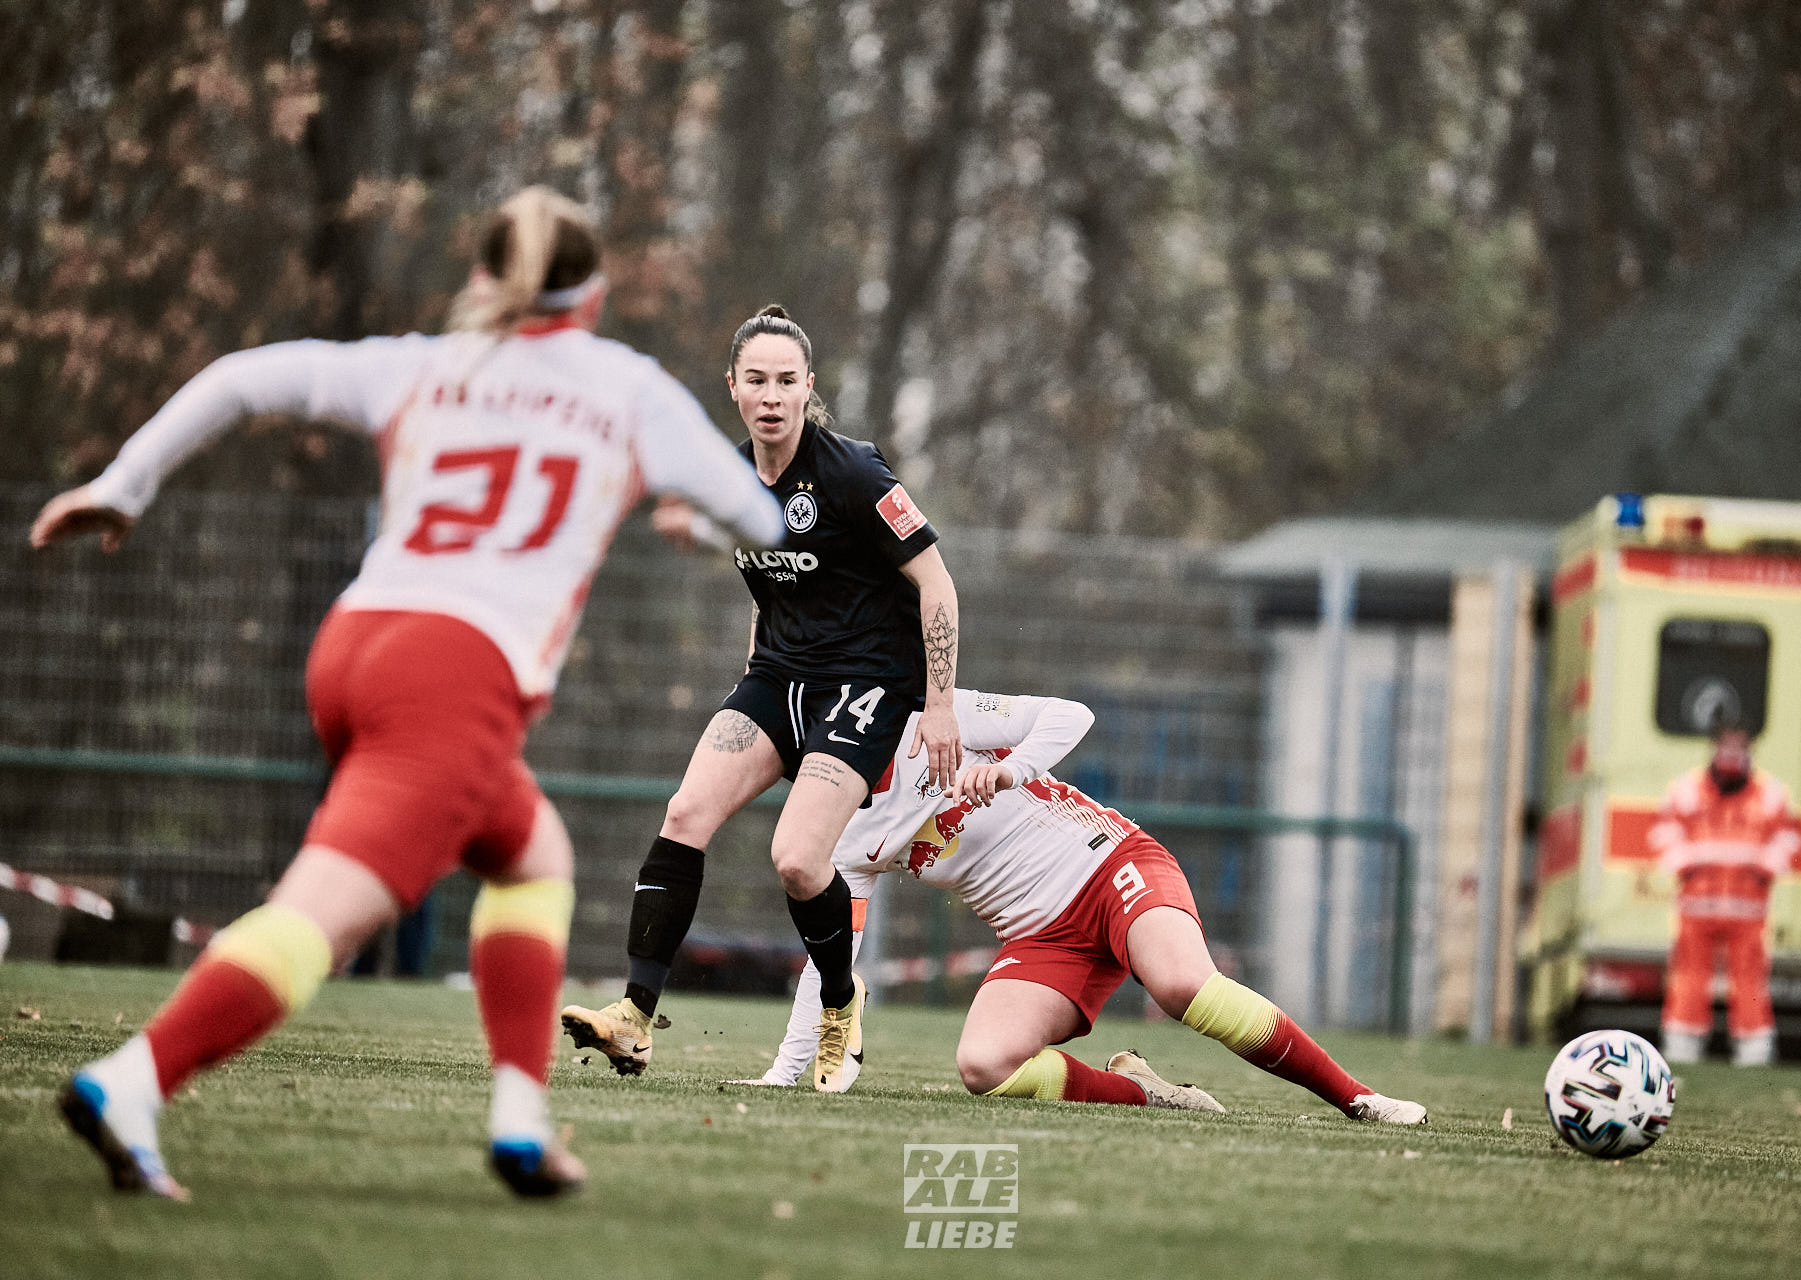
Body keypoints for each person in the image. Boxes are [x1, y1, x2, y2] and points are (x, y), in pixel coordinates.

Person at [30, 187, 784, 1200]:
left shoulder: (425, 362)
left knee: (532, 856)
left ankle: (520, 1122)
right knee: (320, 918)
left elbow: (240, 378)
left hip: (358, 643)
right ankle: (134, 1079)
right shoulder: (626, 385)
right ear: (594, 297)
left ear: (483, 281)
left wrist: (124, 484)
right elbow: (764, 518)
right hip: (456, 679)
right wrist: (696, 521)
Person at [564, 306, 962, 1094]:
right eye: (757, 381)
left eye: (787, 381)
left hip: (865, 686)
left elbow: (937, 582)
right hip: (777, 680)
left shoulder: (853, 472)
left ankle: (840, 1014)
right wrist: (753, 673)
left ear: (808, 388)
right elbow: (780, 577)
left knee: (795, 859)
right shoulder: (729, 478)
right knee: (683, 817)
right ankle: (636, 1017)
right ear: (735, 390)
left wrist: (941, 705)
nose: (772, 395)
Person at [737, 689, 1428, 1123]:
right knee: (984, 1066)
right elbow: (830, 961)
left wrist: (1009, 769)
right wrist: (783, 1071)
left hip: (1110, 863)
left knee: (1182, 984)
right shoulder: (845, 839)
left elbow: (1072, 715)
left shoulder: (927, 719)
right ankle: (1143, 1092)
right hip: (1041, 939)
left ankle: (1356, 1098)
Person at [1647, 723, 1800, 1066]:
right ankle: (1682, 1047)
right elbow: (1662, 832)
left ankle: (1754, 1050)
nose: (1732, 754)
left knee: (1749, 979)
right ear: (1713, 748)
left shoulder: (1771, 794)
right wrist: (1685, 865)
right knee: (1688, 976)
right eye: (1726, 746)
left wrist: (1764, 871)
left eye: (1739, 746)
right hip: (1697, 906)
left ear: (1750, 750)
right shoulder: (1686, 791)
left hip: (1747, 908)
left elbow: (1788, 839)